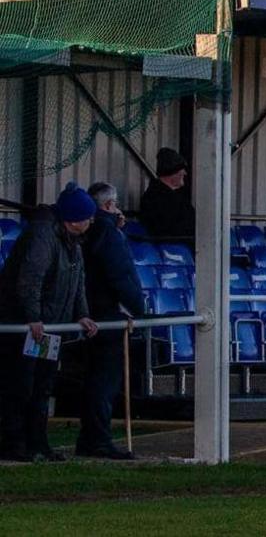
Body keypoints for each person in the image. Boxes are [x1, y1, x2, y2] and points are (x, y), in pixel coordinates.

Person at [0, 183, 98, 462]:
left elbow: (77, 281)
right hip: (30, 328)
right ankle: (15, 442)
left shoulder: (72, 242)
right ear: (72, 219)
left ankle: (38, 442)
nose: (91, 222)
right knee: (21, 384)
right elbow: (30, 280)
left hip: (49, 329)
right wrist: (33, 317)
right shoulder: (42, 236)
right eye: (87, 217)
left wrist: (82, 313)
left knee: (42, 385)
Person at [76, 182, 147, 460]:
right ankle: (97, 440)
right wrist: (137, 308)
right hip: (107, 315)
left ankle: (91, 437)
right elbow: (120, 276)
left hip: (93, 311)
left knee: (95, 379)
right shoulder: (107, 233)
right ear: (107, 205)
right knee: (104, 382)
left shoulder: (95, 231)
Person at [139, 147, 195, 241]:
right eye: (182, 170)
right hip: (175, 248)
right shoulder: (154, 199)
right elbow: (168, 229)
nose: (185, 173)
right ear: (173, 173)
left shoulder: (174, 196)